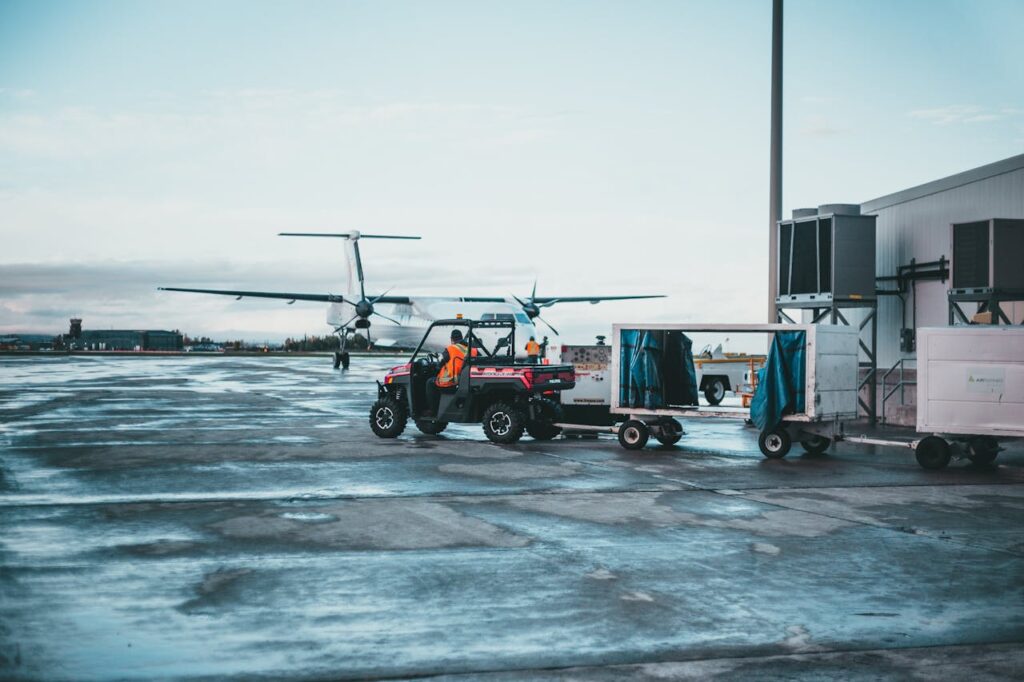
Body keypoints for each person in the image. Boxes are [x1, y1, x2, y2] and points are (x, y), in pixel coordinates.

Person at [426, 329, 471, 416]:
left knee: (430, 383)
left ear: (452, 339)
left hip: (451, 383)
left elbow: (440, 361)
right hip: (466, 382)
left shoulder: (451, 349)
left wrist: (437, 366)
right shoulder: (472, 349)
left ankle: (433, 411)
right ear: (461, 338)